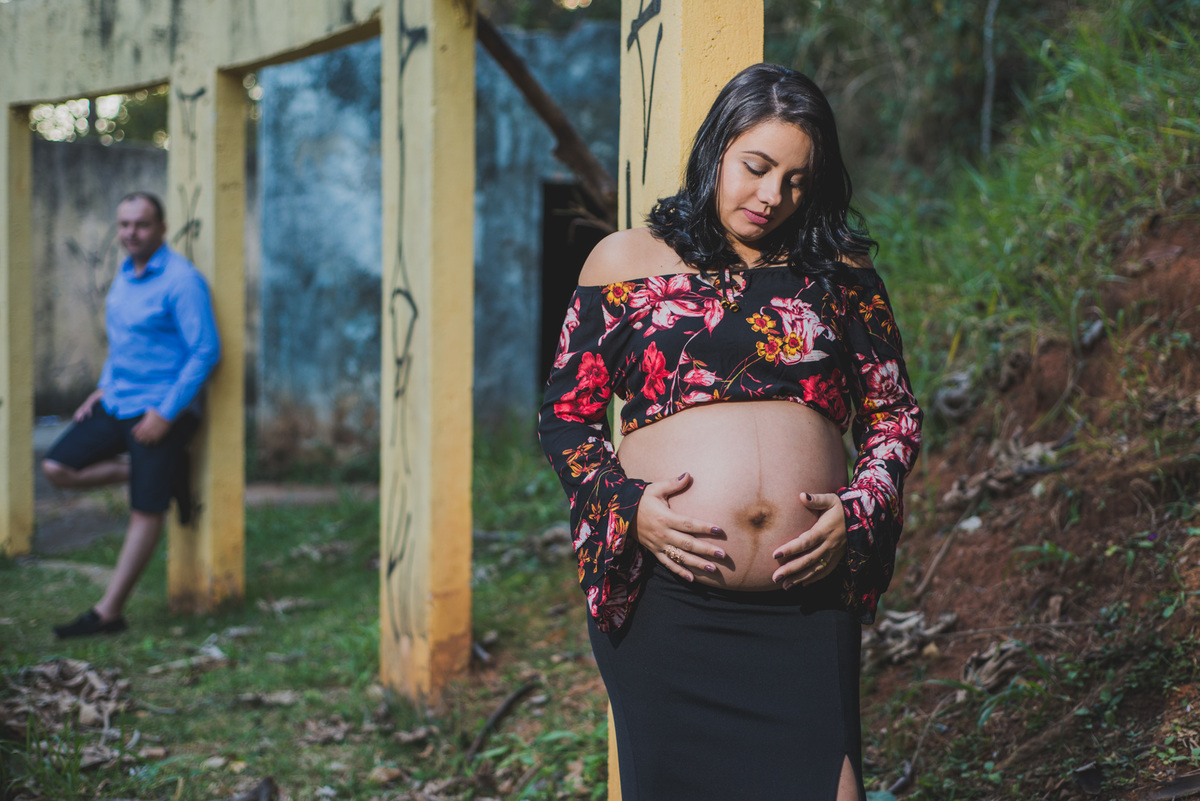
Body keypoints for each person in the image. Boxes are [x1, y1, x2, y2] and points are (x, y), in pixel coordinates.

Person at [538, 64, 922, 800]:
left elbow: (894, 411)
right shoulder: (625, 262)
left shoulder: (838, 271)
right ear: (717, 149)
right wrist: (630, 508)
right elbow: (566, 414)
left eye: (798, 180)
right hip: (668, 600)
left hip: (806, 593)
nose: (773, 196)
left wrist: (861, 508)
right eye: (756, 167)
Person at [43, 191, 220, 639]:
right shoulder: (124, 276)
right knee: (56, 467)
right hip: (118, 399)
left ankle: (109, 613)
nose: (131, 233)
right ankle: (152, 473)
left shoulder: (182, 280)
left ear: (161, 228)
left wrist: (165, 413)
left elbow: (205, 351)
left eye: (141, 224)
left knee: (146, 510)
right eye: (124, 225)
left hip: (162, 408)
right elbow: (123, 345)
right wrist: (103, 385)